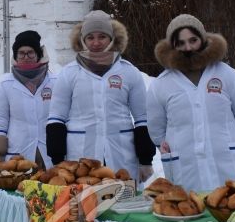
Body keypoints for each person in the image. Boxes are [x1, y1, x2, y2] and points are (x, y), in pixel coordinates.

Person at [147, 14, 235, 191]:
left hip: (227, 162)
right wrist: (162, 143)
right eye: (180, 43)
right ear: (172, 46)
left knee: (233, 207)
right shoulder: (161, 83)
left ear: (203, 40)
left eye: (193, 40)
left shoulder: (225, 73)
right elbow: (156, 124)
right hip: (185, 166)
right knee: (190, 210)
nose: (188, 47)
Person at [46, 10, 154, 182]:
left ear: (111, 39)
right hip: (81, 158)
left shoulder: (129, 72)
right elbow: (56, 119)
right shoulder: (69, 73)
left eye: (102, 36)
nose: (96, 43)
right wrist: (58, 160)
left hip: (121, 157)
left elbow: (142, 119)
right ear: (82, 40)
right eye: (90, 37)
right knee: (84, 206)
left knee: (123, 204)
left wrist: (145, 160)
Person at [0, 30, 55, 166]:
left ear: (38, 54)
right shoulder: (5, 84)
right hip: (18, 154)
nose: (26, 57)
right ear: (15, 55)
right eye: (21, 53)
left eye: (30, 52)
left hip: (48, 152)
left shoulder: (55, 81)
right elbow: (0, 120)